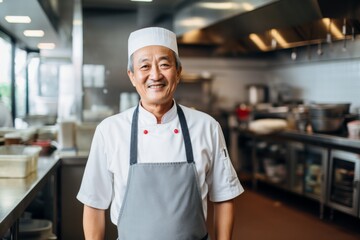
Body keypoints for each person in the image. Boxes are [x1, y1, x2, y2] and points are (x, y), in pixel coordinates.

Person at [77, 27, 244, 240]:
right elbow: (93, 204)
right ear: (132, 76)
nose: (155, 75)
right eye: (144, 66)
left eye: (164, 64)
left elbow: (223, 198)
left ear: (178, 71)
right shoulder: (109, 131)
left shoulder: (207, 127)